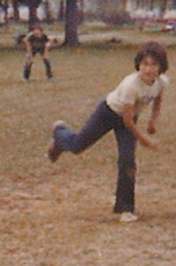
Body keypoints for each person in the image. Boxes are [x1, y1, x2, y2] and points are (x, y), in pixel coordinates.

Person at [47, 42, 168, 222]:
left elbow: (157, 100)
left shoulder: (161, 82)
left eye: (153, 65)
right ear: (138, 65)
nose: (148, 69)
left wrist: (152, 121)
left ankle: (125, 208)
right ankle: (59, 131)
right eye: (144, 64)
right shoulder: (131, 85)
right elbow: (127, 121)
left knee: (128, 161)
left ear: (161, 66)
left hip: (128, 119)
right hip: (108, 113)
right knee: (78, 146)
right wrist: (144, 139)